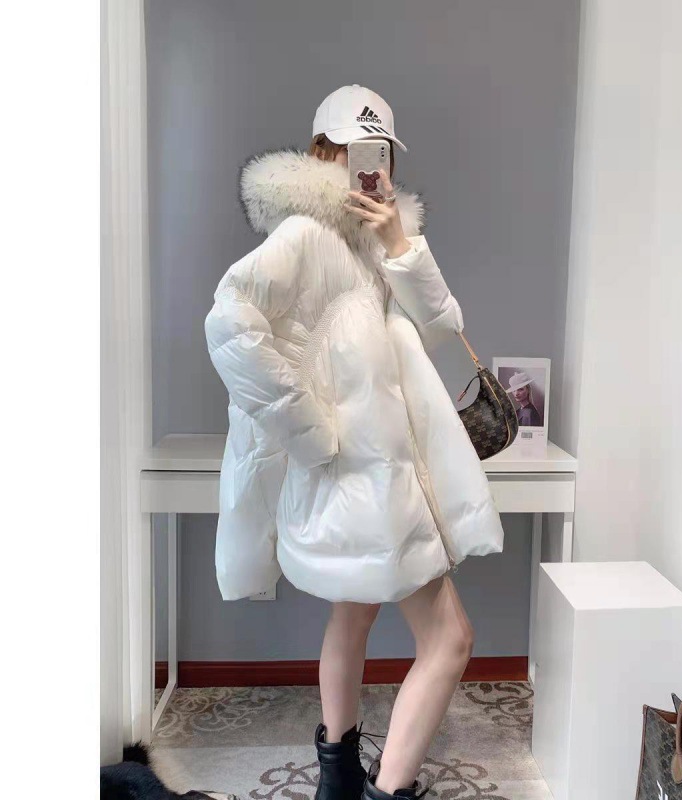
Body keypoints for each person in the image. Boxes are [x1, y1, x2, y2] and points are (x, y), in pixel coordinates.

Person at [204, 85, 505, 800]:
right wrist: (311, 431)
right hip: (365, 485)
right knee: (451, 640)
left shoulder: (374, 243)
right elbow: (229, 324)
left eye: (380, 154)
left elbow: (442, 326)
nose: (368, 167)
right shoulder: (304, 236)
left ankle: (338, 785)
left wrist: (399, 241)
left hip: (373, 483)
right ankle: (387, 790)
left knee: (353, 613)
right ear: (321, 151)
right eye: (351, 150)